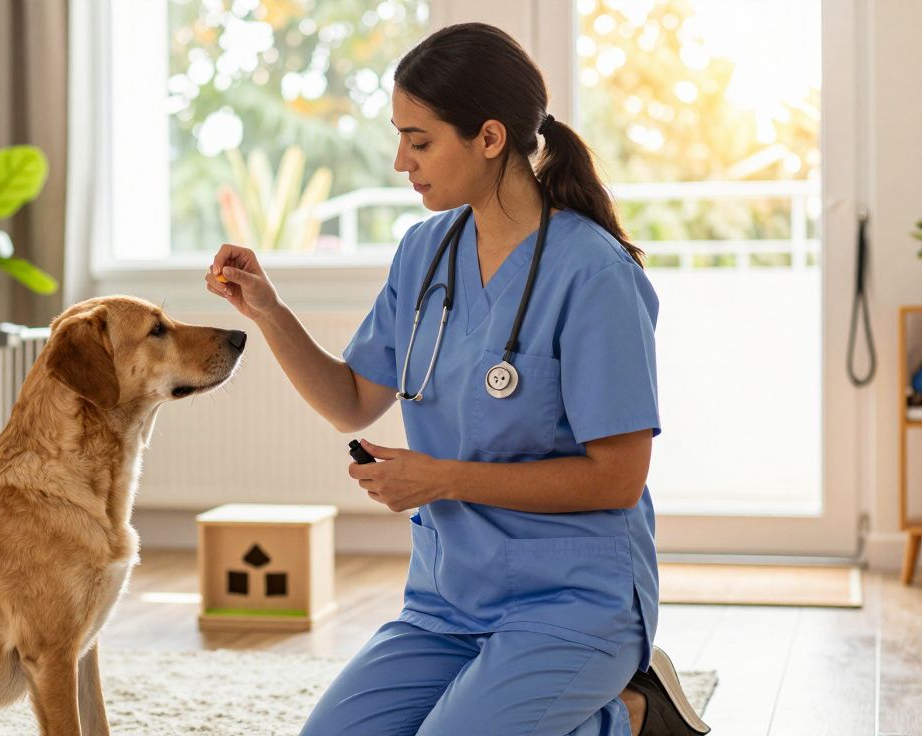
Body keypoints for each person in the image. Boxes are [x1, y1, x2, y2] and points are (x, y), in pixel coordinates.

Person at [205, 22, 711, 736]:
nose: (399, 162)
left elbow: (616, 480)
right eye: (399, 139)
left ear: (491, 138)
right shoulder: (424, 252)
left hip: (573, 600)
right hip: (449, 600)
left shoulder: (595, 275)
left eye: (419, 141)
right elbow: (352, 403)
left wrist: (441, 479)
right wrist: (269, 312)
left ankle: (630, 715)